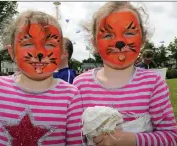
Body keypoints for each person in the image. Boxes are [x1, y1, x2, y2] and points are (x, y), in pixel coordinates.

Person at [73, 2, 177, 146]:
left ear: (142, 39)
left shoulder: (153, 84)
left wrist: (129, 139)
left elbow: (171, 137)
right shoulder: (80, 86)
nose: (119, 42)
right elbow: (72, 137)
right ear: (95, 43)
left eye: (129, 33)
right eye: (108, 34)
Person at [0, 10, 83, 146]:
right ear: (12, 52)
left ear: (60, 53)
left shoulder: (71, 96)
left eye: (50, 44)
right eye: (28, 44)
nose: (40, 53)